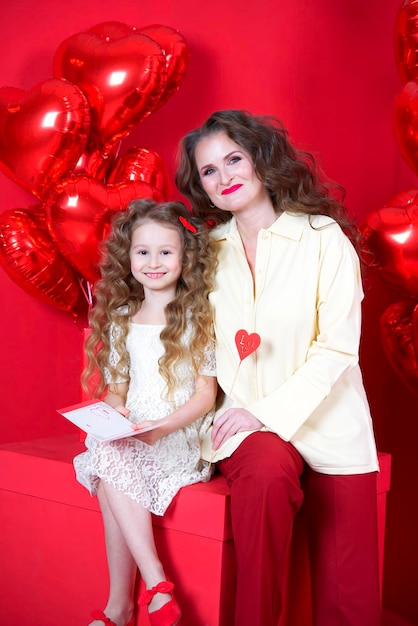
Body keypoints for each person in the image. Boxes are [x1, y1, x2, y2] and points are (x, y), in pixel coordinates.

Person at [175, 109, 381, 626]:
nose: (225, 177)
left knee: (348, 598)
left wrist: (266, 412)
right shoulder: (203, 252)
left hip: (330, 422)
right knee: (266, 474)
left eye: (234, 159)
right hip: (244, 424)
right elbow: (184, 333)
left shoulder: (322, 237)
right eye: (209, 171)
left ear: (261, 160)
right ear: (201, 186)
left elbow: (336, 350)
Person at [73, 198, 217, 626]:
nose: (153, 262)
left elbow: (205, 394)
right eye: (143, 252)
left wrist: (162, 426)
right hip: (135, 427)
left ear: (184, 256)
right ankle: (144, 597)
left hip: (178, 431)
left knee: (108, 460)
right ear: (128, 256)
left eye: (165, 251)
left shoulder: (197, 316)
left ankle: (133, 599)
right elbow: (117, 390)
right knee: (107, 445)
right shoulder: (121, 317)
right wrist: (115, 416)